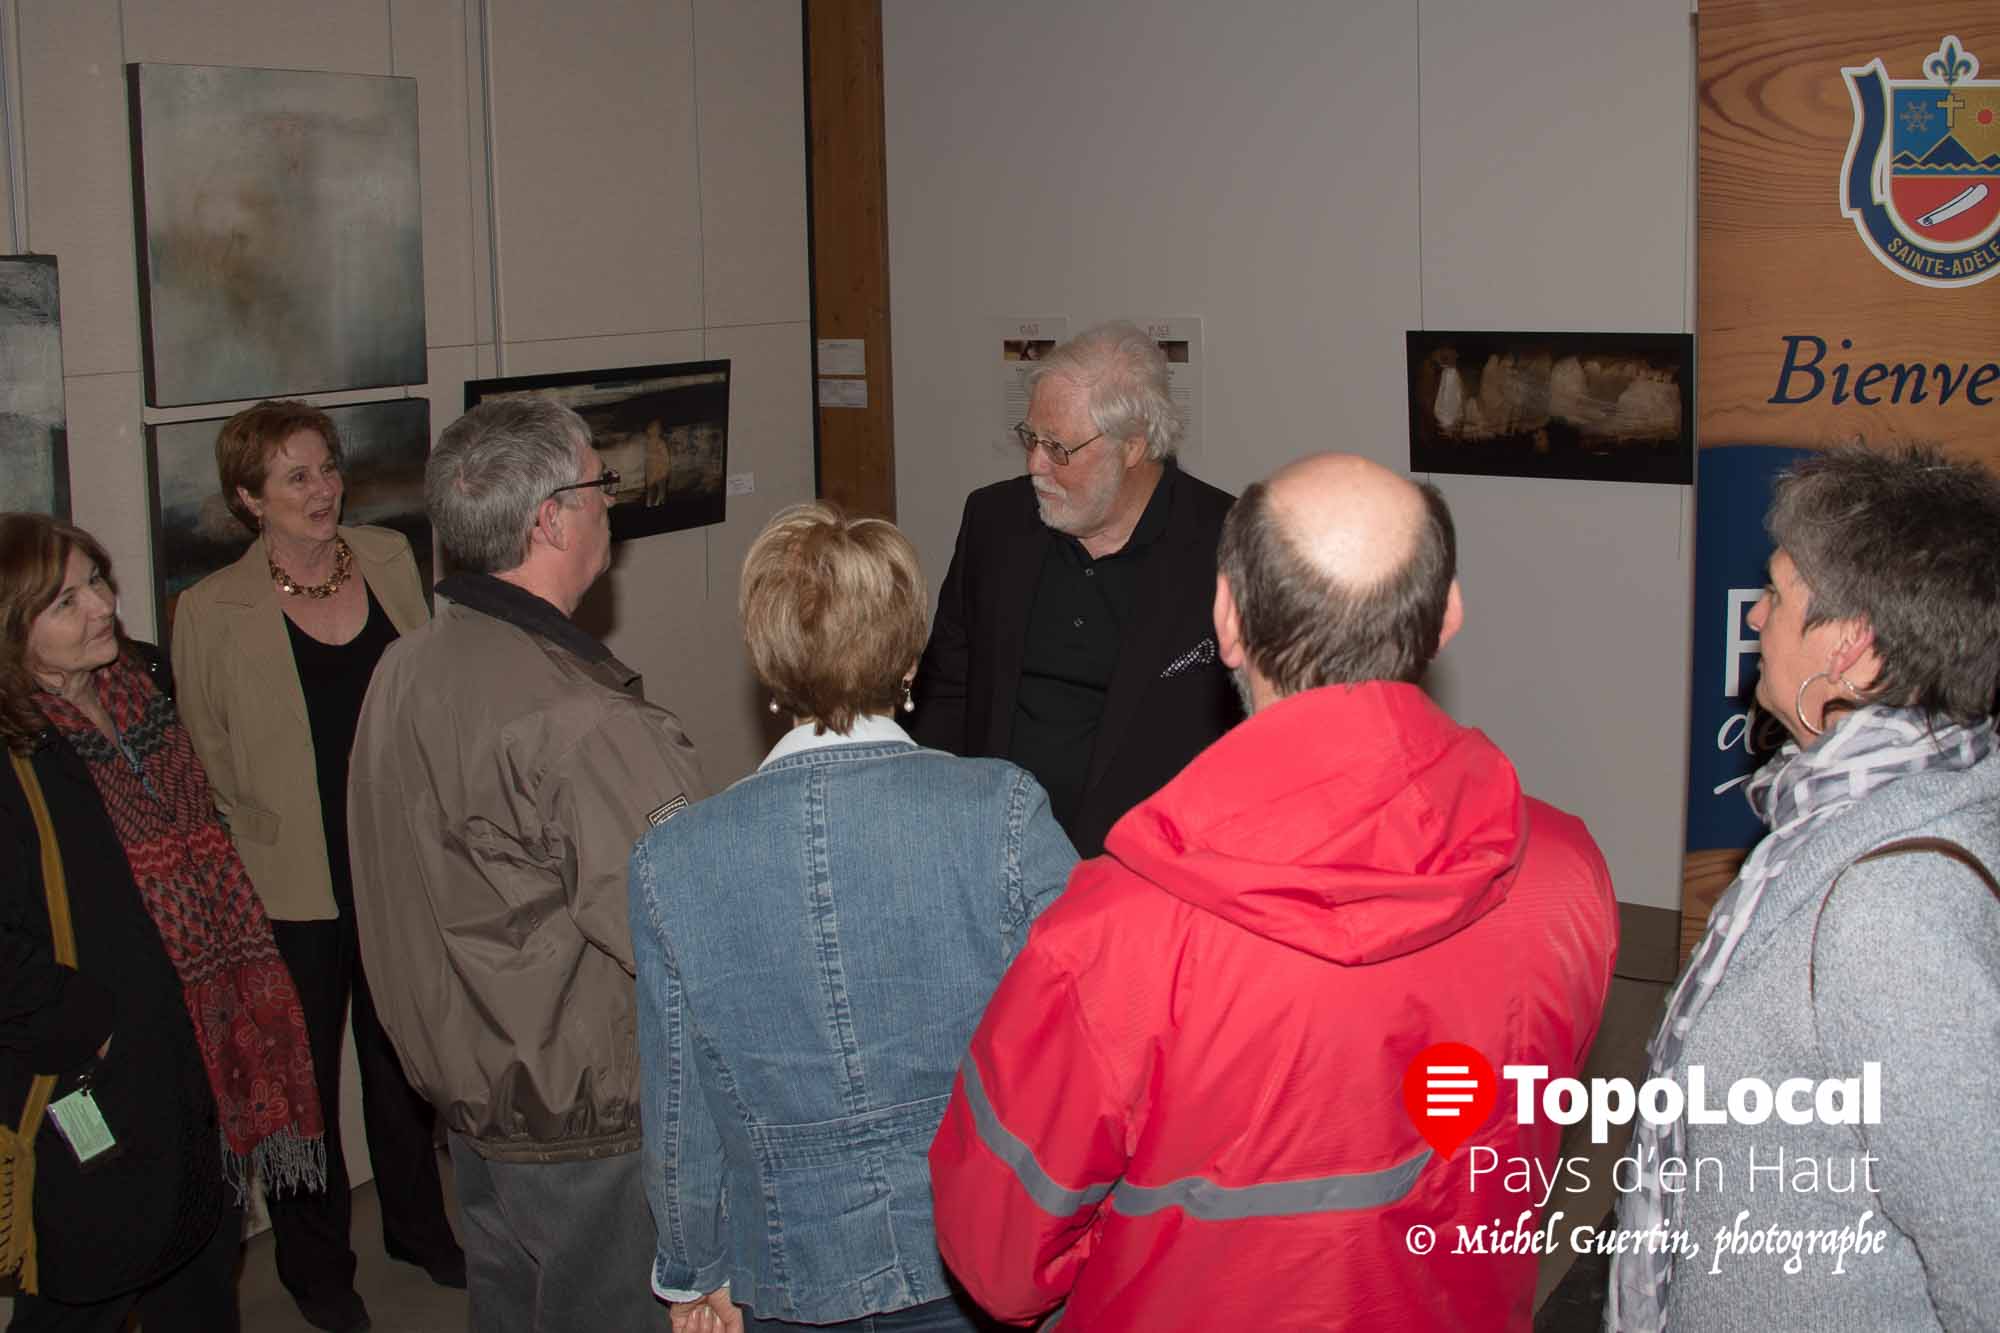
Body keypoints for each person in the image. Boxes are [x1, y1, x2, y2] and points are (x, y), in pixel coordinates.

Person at [928, 455, 1620, 1330]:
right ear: (1447, 618)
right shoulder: (1563, 873)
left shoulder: (1113, 935)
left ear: (1226, 618)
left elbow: (998, 1260)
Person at [627, 503, 1075, 1333]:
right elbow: (1087, 1043)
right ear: (909, 659)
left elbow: (677, 1107)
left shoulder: (673, 861)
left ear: (769, 665)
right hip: (984, 1258)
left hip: (788, 1279)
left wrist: (693, 1273)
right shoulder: (1002, 811)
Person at [1610, 444, 2000, 1331]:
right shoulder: (1909, 797)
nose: (1755, 622)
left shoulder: (1893, 911)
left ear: (1853, 648)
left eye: (1778, 598)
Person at [347, 398, 708, 1332]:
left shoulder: (404, 670)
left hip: (473, 1120)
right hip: (592, 1132)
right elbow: (692, 937)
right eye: (600, 486)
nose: (611, 507)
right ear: (550, 517)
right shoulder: (584, 723)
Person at [171, 400, 462, 1333]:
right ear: (250, 498)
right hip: (285, 886)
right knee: (297, 1086)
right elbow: (203, 757)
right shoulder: (210, 609)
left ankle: (418, 1225)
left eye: (327, 467)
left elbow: (429, 686)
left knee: (402, 1063)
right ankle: (314, 1264)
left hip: (394, 861)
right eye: (295, 476)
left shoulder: (387, 559)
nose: (323, 488)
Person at [1, 513, 326, 1332]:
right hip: (94, 1078)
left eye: (98, 582)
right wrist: (90, 1025)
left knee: (202, 1270)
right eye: (66, 601)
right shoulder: (15, 751)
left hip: (196, 1055)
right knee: (88, 1287)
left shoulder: (140, 686)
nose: (102, 606)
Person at [911, 320, 1238, 857]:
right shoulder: (995, 522)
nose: (1036, 464)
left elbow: (1250, 740)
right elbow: (946, 691)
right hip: (993, 857)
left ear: (1132, 447)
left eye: (1059, 448)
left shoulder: (1228, 542)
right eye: (1031, 438)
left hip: (1147, 878)